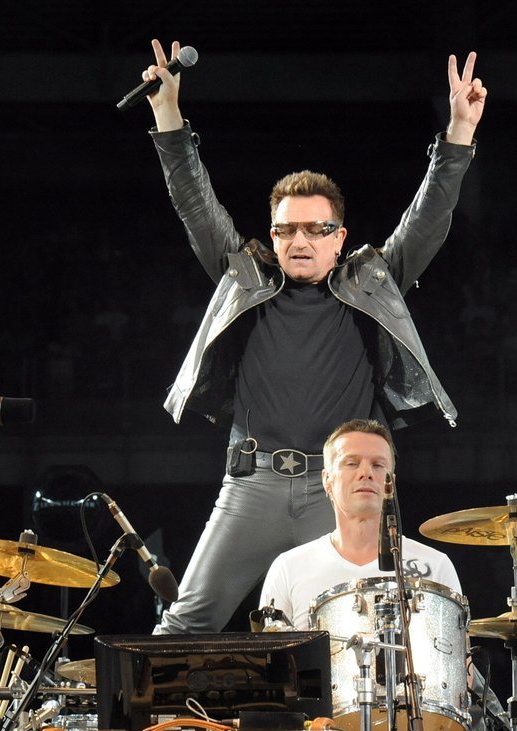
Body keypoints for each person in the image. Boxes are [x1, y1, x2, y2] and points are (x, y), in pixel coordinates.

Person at [142, 38, 487, 635]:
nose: (299, 241)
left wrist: (458, 132)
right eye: (286, 230)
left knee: (371, 635)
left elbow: (428, 219)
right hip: (252, 485)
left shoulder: (373, 282)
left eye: (315, 229)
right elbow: (196, 205)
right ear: (272, 236)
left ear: (339, 237)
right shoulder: (243, 277)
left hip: (340, 489)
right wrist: (168, 113)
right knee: (183, 626)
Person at [260, 419, 512, 731]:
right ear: (327, 480)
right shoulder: (289, 567)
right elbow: (271, 674)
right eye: (351, 463)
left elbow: (460, 666)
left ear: (391, 481)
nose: (366, 472)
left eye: (378, 465)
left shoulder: (434, 564)